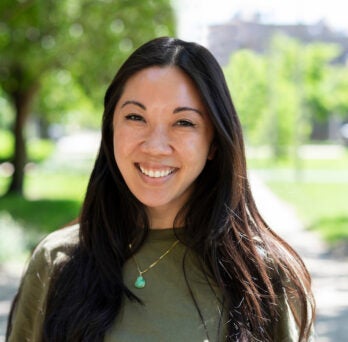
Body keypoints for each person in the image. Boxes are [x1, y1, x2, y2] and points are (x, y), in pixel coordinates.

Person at [6, 37, 315, 341]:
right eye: (135, 117)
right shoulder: (56, 261)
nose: (155, 146)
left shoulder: (265, 275)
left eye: (183, 123)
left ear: (213, 143)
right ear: (111, 129)